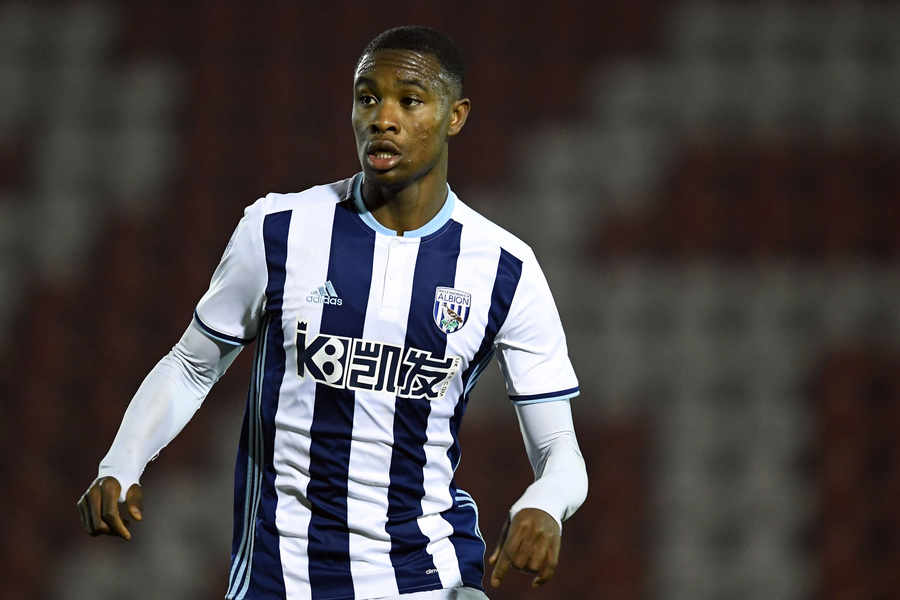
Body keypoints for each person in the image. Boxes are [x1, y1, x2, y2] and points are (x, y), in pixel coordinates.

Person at [77, 25, 588, 600]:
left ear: (456, 116)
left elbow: (558, 448)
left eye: (409, 100)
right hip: (281, 578)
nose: (382, 118)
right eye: (367, 97)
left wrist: (544, 502)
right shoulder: (278, 230)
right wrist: (120, 462)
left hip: (424, 577)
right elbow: (193, 366)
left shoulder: (505, 268)